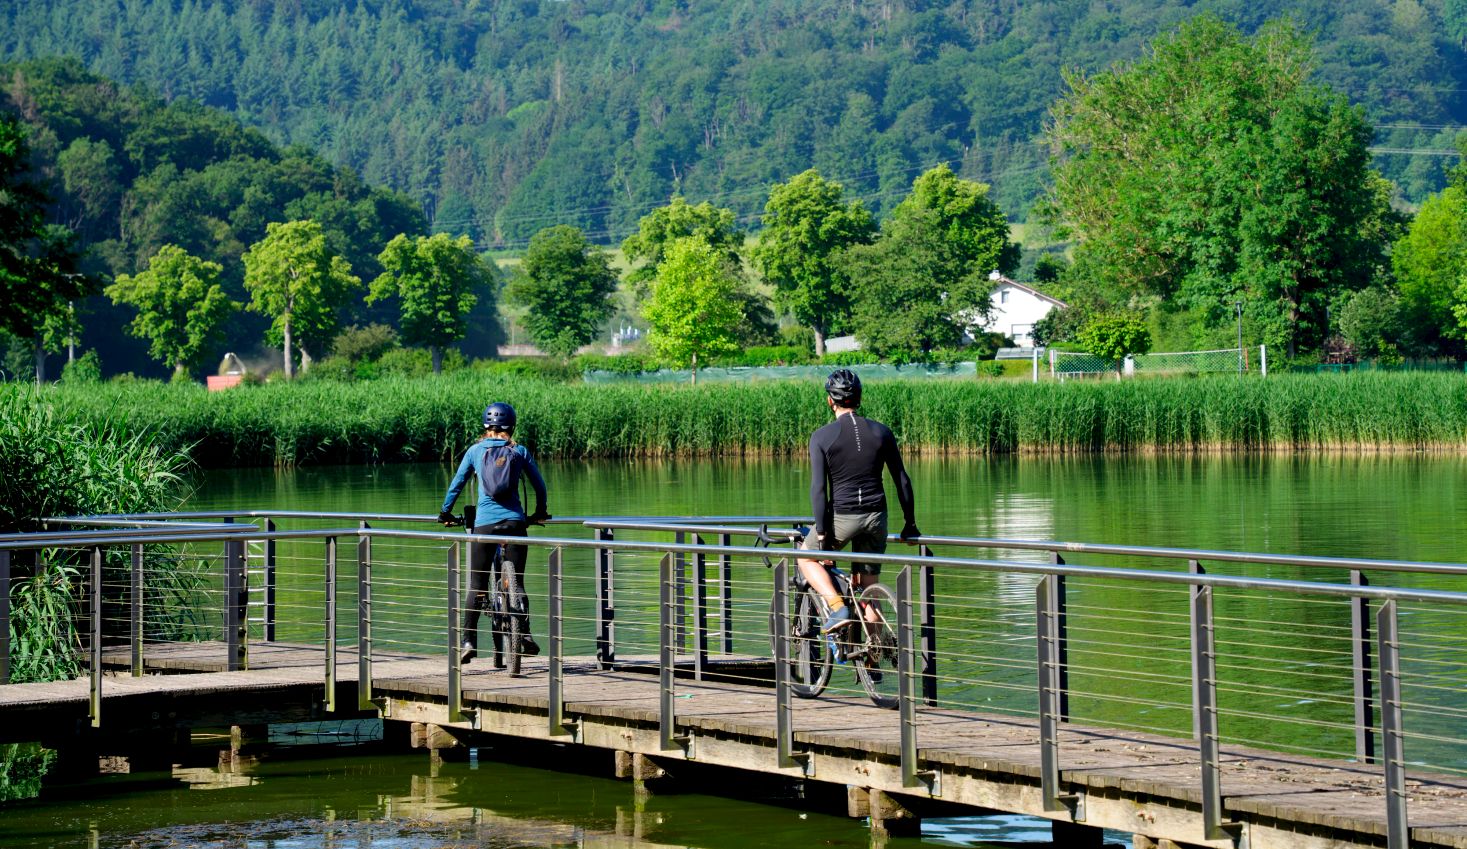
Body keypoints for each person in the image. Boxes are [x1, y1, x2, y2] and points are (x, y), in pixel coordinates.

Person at [798, 369, 920, 632]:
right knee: (868, 590)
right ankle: (875, 654)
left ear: (830, 400)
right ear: (859, 399)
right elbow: (902, 480)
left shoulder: (821, 436)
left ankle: (837, 607)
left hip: (843, 516)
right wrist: (910, 524)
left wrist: (822, 534)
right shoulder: (882, 432)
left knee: (805, 558)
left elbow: (819, 489)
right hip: (876, 517)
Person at [438, 402, 550, 665]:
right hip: (514, 523)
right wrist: (539, 512)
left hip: (485, 525)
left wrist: (445, 513)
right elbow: (540, 486)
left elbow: (456, 484)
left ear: (485, 426)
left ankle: (468, 641)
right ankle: (525, 634)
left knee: (477, 584)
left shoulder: (475, 451)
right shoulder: (519, 450)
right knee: (517, 582)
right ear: (512, 426)